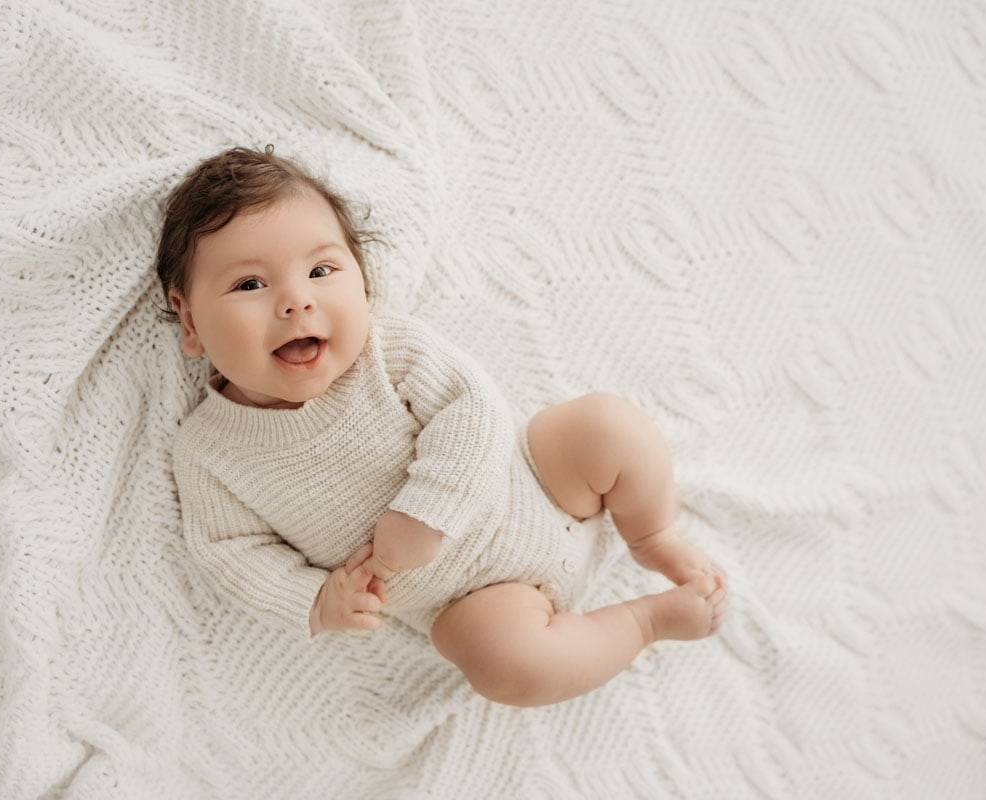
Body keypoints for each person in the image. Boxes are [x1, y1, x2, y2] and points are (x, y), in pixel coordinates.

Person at [157, 146, 729, 707]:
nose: (297, 301)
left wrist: (426, 512)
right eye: (250, 285)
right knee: (508, 665)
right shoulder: (211, 452)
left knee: (607, 425)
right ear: (190, 322)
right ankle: (645, 622)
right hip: (479, 599)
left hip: (541, 480)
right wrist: (317, 599)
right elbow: (229, 553)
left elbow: (474, 410)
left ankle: (653, 536)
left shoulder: (391, 352)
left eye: (322, 269)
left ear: (361, 279)